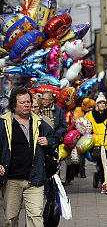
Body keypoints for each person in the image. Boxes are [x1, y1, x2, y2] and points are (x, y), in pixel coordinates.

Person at [0, 87, 58, 227]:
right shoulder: (3, 124)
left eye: (28, 102)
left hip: (35, 178)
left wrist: (48, 142)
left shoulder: (39, 123)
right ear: (14, 105)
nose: (27, 105)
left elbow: (54, 140)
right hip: (12, 179)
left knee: (36, 218)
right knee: (10, 219)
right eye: (23, 102)